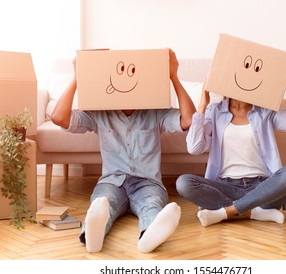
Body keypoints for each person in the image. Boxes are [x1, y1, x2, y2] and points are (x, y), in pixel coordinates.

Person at [51, 49, 196, 253]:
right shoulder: (100, 113)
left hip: (147, 182)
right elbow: (59, 118)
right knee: (103, 204)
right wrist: (78, 77)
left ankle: (148, 237)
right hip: (112, 181)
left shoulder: (155, 111)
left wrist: (173, 76)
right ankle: (93, 237)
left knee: (152, 204)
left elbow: (189, 120)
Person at [176, 52, 286, 227]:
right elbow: (194, 148)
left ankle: (228, 212)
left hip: (262, 187)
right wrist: (202, 105)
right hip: (225, 187)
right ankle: (254, 212)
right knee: (183, 183)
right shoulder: (214, 112)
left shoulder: (265, 112)